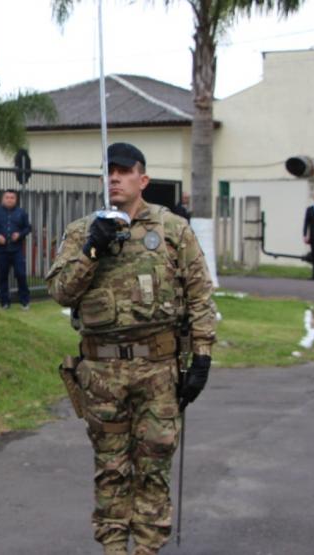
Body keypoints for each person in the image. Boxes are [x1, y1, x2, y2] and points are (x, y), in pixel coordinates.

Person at [47, 142, 216, 555]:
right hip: (102, 373)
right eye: (110, 172)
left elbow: (199, 294)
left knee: (154, 465)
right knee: (111, 467)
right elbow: (59, 291)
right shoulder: (83, 231)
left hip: (158, 370)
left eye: (124, 172)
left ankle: (146, 548)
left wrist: (202, 357)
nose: (115, 178)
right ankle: (113, 548)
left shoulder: (172, 230)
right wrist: (92, 249)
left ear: (143, 180)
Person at [0, 189, 32, 309]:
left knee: (21, 274)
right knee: (2, 276)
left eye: (12, 198)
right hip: (1, 250)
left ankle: (25, 301)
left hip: (17, 250)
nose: (9, 200)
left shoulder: (21, 212)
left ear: (16, 200)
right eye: (7, 197)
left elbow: (28, 228)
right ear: (2, 199)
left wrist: (19, 235)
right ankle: (4, 302)